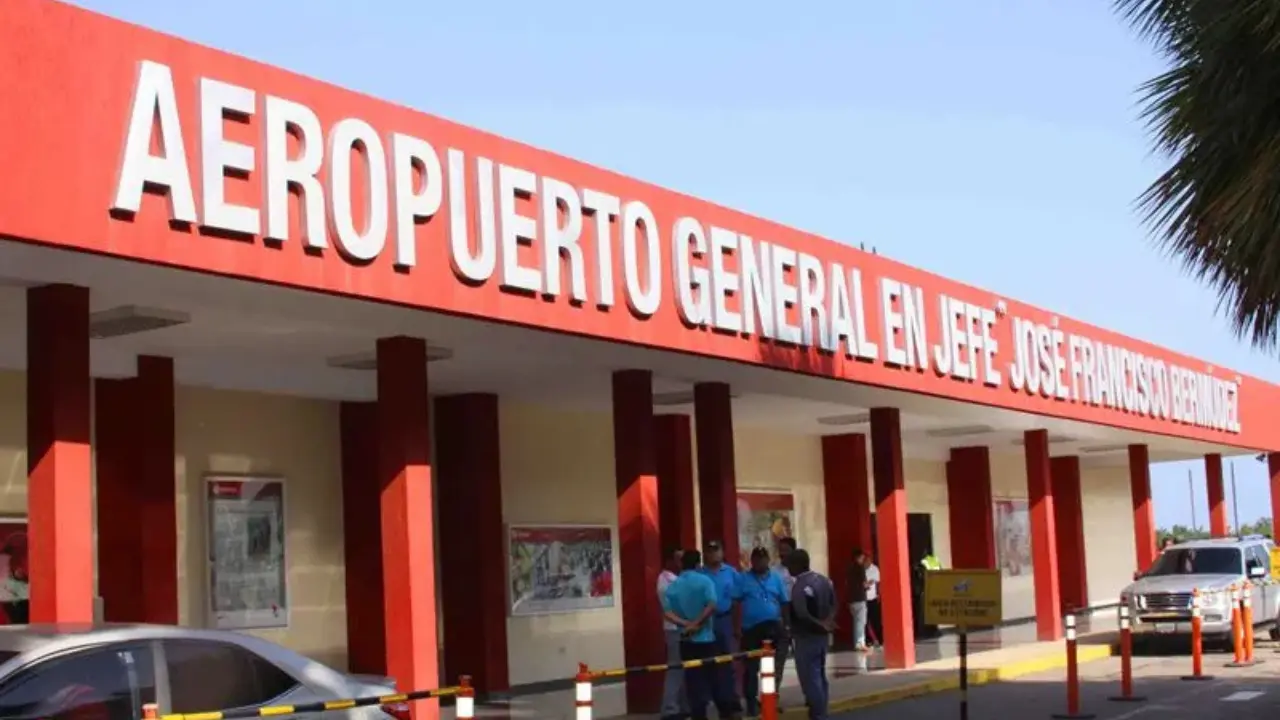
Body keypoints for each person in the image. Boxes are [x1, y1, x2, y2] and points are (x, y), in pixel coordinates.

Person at [664, 549, 740, 720]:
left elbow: (667, 613)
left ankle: (699, 715)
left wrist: (687, 624)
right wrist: (697, 622)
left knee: (693, 681)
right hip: (707, 638)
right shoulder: (705, 581)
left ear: (682, 564)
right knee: (717, 677)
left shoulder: (674, 585)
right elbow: (712, 605)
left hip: (686, 639)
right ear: (698, 564)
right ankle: (725, 712)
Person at [735, 547, 787, 717]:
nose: (760, 562)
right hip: (751, 630)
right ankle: (751, 703)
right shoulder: (743, 579)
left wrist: (786, 626)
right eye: (756, 559)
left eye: (763, 559)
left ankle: (769, 701)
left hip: (773, 627)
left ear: (768, 560)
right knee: (751, 669)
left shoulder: (776, 578)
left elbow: (784, 602)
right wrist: (736, 627)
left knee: (771, 668)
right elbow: (735, 603)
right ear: (752, 561)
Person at [786, 548, 836, 720]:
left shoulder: (799, 586)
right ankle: (822, 711)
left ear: (797, 565)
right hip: (822, 637)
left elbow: (802, 613)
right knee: (820, 675)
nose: (788, 569)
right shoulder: (824, 580)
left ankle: (818, 714)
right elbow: (833, 603)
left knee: (810, 678)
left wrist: (819, 623)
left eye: (790, 565)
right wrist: (827, 622)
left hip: (806, 636)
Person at [699, 540, 743, 716]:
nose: (713, 554)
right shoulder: (700, 573)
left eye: (716, 550)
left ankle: (732, 698)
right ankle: (713, 698)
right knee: (708, 661)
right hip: (706, 621)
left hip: (726, 619)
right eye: (710, 551)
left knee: (729, 661)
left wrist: (737, 626)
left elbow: (738, 599)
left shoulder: (731, 572)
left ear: (722, 552)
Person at [657, 547, 688, 720]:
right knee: (675, 668)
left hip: (684, 628)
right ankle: (670, 708)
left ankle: (683, 705)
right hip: (674, 628)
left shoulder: (679, 578)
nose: (681, 563)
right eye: (678, 559)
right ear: (669, 561)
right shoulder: (665, 581)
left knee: (685, 668)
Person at [773, 536, 797, 691]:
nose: (782, 554)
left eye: (786, 550)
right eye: (780, 550)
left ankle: (811, 693)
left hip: (799, 614)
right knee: (779, 657)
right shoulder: (775, 572)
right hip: (782, 615)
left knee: (804, 658)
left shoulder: (800, 571)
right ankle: (774, 691)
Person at [845, 548, 869, 651]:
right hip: (860, 598)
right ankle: (860, 643)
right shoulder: (860, 568)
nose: (863, 559)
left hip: (851, 599)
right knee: (861, 622)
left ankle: (857, 642)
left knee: (856, 622)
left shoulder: (849, 568)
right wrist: (868, 585)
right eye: (862, 558)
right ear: (858, 557)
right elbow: (864, 584)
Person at [865, 555, 882, 648]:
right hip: (864, 599)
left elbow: (878, 582)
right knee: (865, 621)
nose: (866, 563)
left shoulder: (875, 569)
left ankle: (879, 639)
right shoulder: (862, 569)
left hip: (873, 598)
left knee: (875, 619)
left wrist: (879, 594)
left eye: (868, 561)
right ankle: (869, 640)